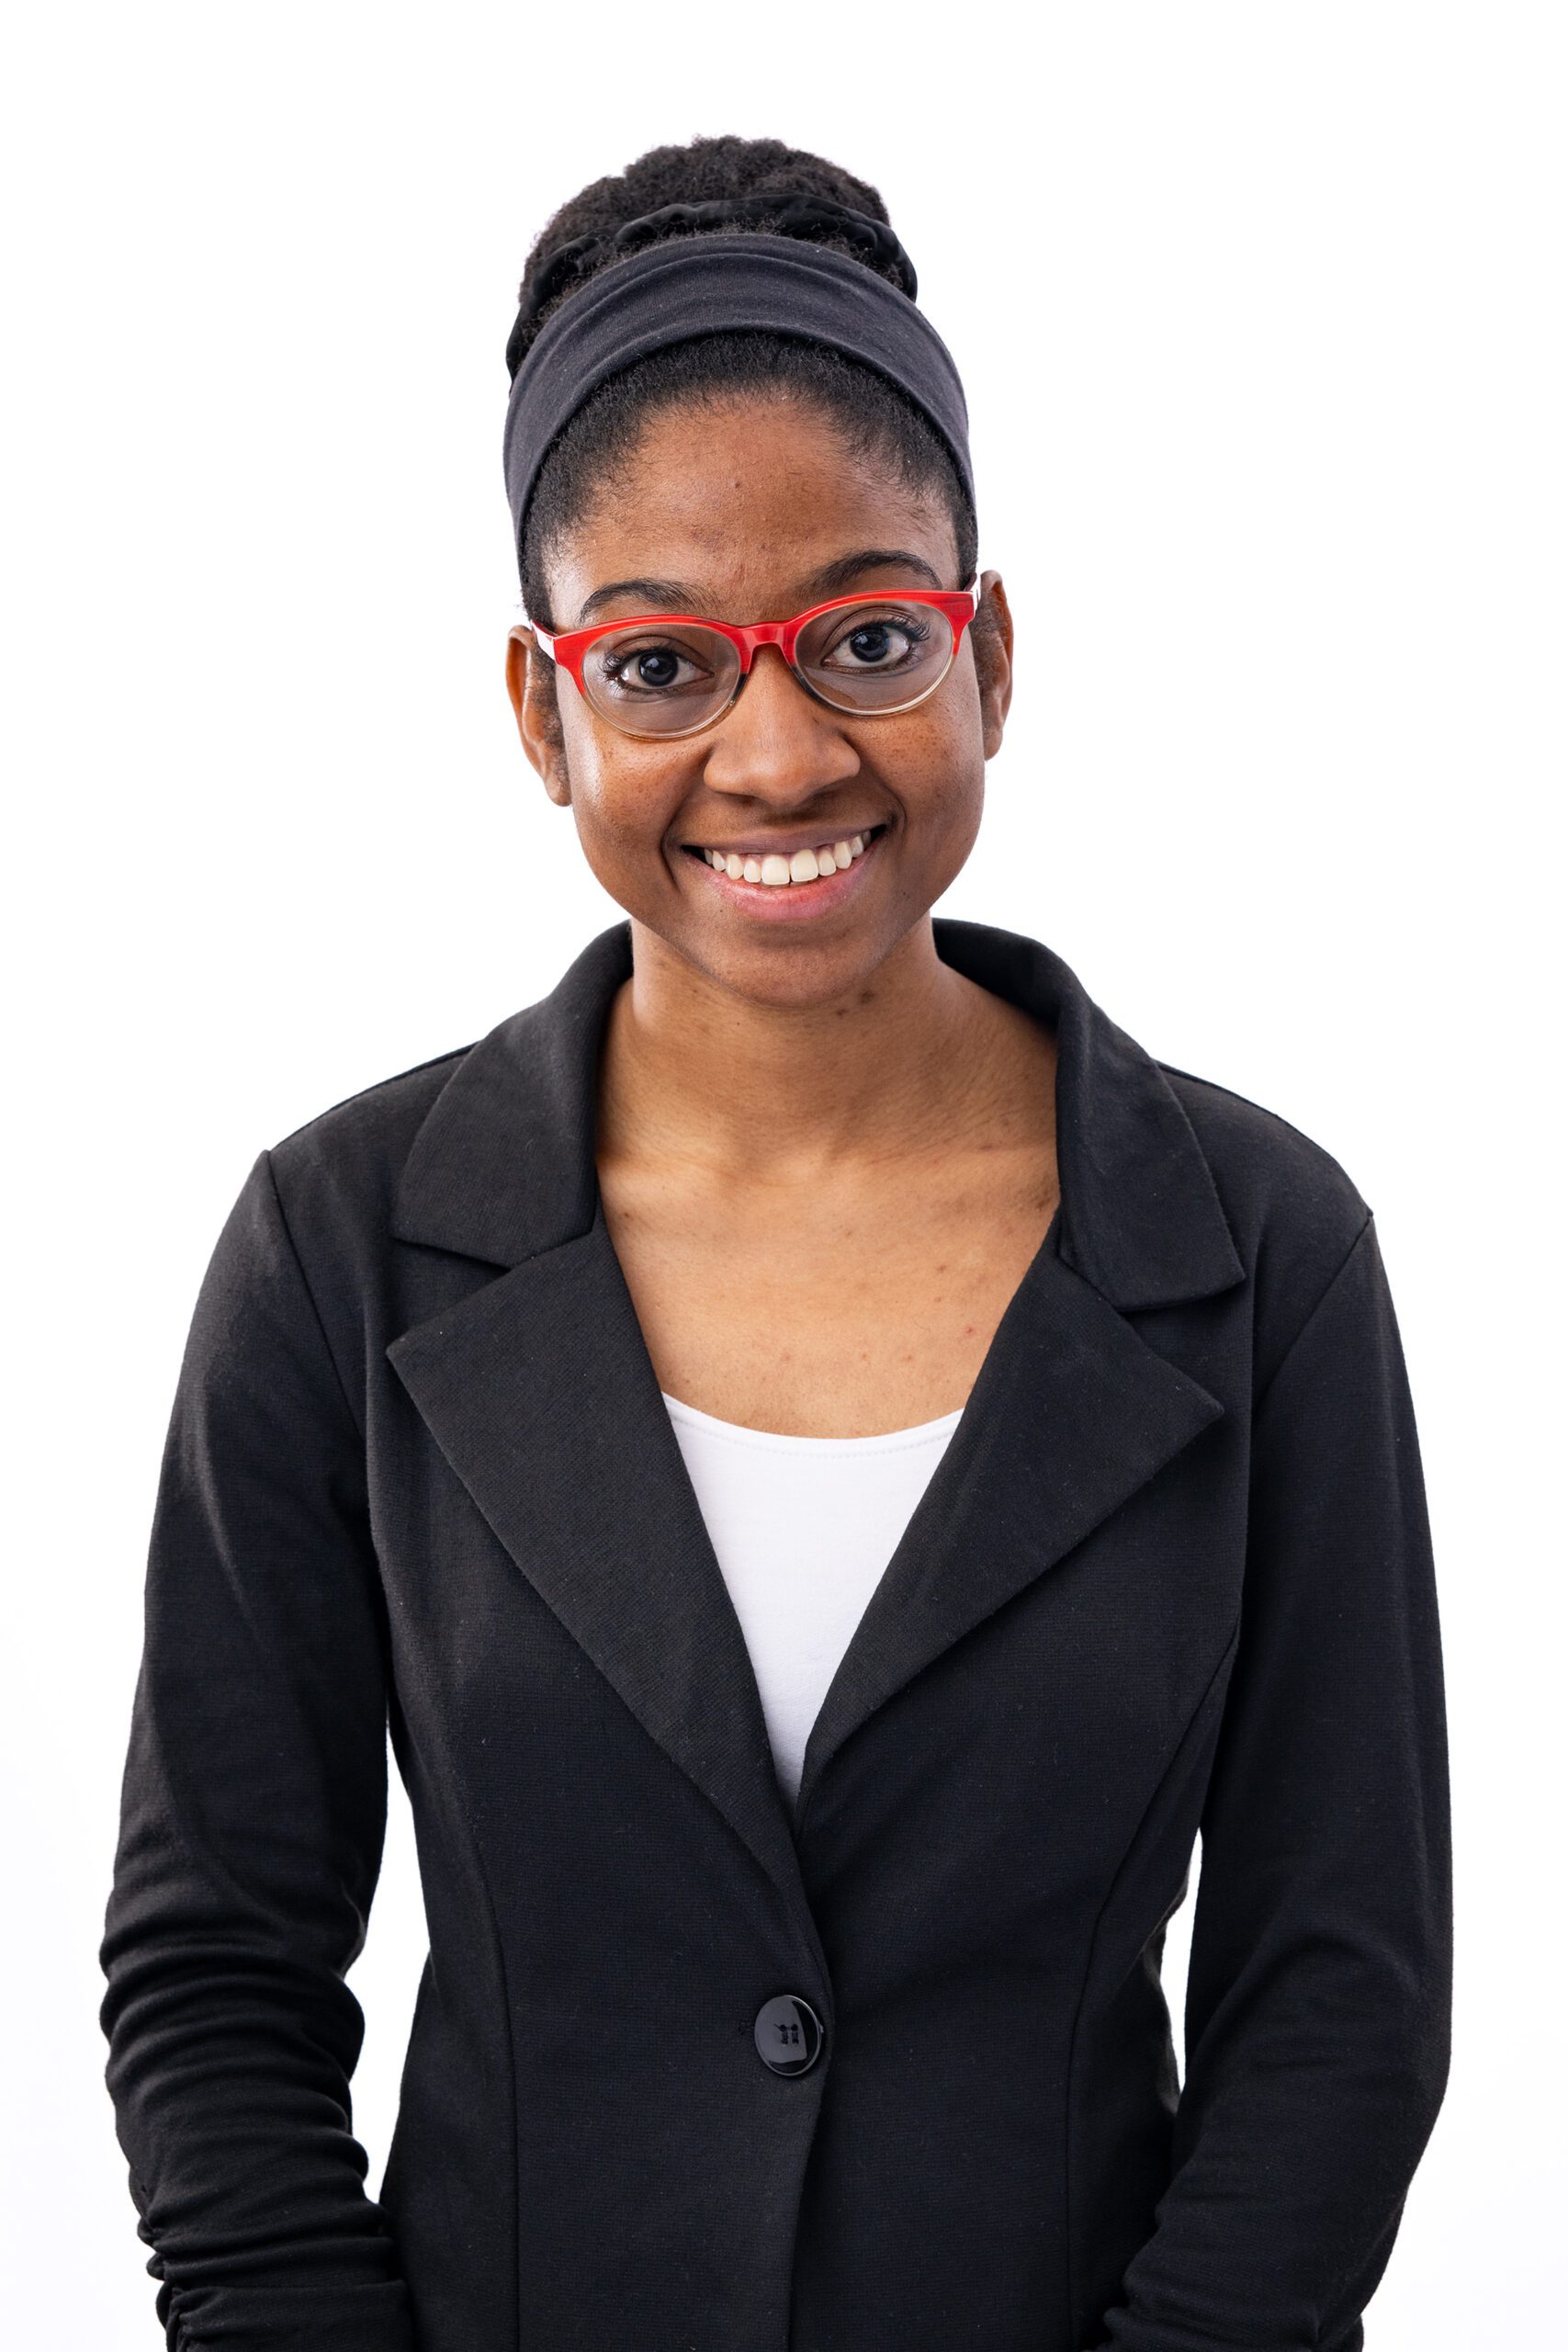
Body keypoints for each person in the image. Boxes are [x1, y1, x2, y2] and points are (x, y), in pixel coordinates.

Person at [98, 135, 1452, 2352]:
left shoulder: (1254, 1245)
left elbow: (1340, 1987)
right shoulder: (338, 1246)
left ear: (986, 657)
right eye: (658, 664)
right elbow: (217, 1968)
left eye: (866, 636)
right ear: (542, 709)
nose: (778, 743)